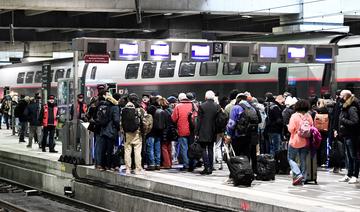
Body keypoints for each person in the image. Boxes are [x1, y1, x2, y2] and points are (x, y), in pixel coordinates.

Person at [287, 99, 313, 185]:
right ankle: (303, 177)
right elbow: (312, 127)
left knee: (290, 158)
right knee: (303, 160)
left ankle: (298, 174)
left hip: (295, 140)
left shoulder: (294, 116)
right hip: (306, 140)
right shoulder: (308, 116)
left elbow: (291, 129)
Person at [195, 90, 221, 175]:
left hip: (203, 131)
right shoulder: (217, 106)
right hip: (213, 131)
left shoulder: (202, 106)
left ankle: (206, 167)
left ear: (205, 97)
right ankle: (211, 167)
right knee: (210, 149)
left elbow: (199, 121)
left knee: (203, 149)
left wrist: (196, 132)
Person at [337, 90, 359, 184]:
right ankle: (349, 174)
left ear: (346, 96)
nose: (339, 97)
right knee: (349, 156)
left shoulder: (351, 108)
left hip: (352, 135)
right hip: (347, 135)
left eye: (341, 95)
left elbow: (355, 122)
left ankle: (355, 175)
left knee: (354, 156)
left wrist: (343, 120)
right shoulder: (345, 107)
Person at [122, 93, 145, 175]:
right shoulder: (139, 109)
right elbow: (144, 120)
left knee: (127, 151)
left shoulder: (124, 109)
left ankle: (128, 169)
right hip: (137, 133)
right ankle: (138, 169)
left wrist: (122, 131)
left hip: (127, 133)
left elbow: (121, 122)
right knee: (137, 151)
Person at [171, 93, 194, 171]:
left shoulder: (178, 106)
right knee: (192, 147)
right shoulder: (193, 105)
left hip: (182, 130)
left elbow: (173, 119)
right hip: (192, 130)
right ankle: (192, 164)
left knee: (184, 148)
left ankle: (186, 164)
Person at [98, 93, 120, 170]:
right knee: (111, 149)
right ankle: (109, 165)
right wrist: (118, 128)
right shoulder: (115, 107)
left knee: (103, 148)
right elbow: (116, 120)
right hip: (111, 131)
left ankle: (101, 164)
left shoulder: (102, 107)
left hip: (103, 130)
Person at [146, 96, 167, 171]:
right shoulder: (160, 109)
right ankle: (158, 164)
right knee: (157, 149)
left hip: (151, 132)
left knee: (150, 148)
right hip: (159, 132)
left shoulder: (150, 108)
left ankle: (151, 164)